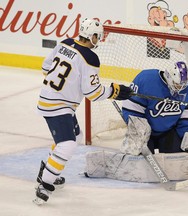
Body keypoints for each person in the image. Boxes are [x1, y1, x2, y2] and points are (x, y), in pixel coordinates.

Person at [33, 18, 132, 205]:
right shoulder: (90, 57)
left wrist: (64, 87)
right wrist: (115, 91)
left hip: (51, 99)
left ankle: (46, 170)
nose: (98, 40)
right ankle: (44, 185)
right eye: (97, 36)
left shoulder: (65, 43)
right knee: (67, 144)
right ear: (92, 36)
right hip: (58, 106)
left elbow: (46, 67)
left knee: (76, 135)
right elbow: (93, 93)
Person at [122, 61, 188, 154]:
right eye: (176, 84)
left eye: (182, 85)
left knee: (177, 159)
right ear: (169, 77)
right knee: (137, 160)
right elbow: (131, 107)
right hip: (144, 131)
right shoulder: (146, 79)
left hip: (168, 131)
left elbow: (187, 117)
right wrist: (138, 129)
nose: (179, 88)